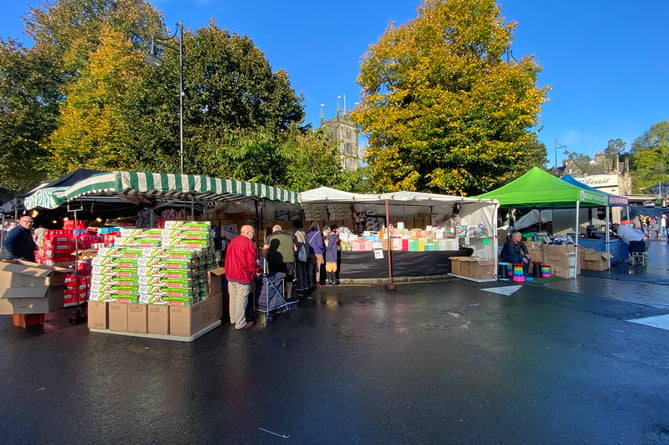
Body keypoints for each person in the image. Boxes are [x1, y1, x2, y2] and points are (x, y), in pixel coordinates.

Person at [223, 225, 259, 330]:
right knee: (241, 300)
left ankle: (233, 319)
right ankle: (240, 323)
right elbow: (251, 262)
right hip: (242, 275)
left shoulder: (233, 242)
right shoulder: (248, 243)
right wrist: (257, 271)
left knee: (233, 299)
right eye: (253, 232)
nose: (253, 235)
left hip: (231, 274)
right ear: (248, 233)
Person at [263, 224, 296, 301]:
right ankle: (289, 297)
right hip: (289, 260)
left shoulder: (270, 237)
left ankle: (277, 298)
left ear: (273, 230)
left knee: (276, 279)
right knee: (289, 279)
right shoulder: (290, 236)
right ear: (281, 230)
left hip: (274, 261)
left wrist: (268, 258)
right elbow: (295, 249)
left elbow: (264, 251)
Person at [292, 220, 309, 295]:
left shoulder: (297, 233)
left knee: (299, 270)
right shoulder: (304, 232)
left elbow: (297, 245)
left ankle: (300, 286)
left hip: (299, 254)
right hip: (305, 254)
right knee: (304, 270)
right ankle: (305, 285)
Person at [307, 222, 325, 289]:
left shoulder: (308, 233)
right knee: (317, 269)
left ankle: (310, 283)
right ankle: (317, 283)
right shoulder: (318, 233)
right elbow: (320, 244)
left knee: (310, 269)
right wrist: (323, 249)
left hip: (310, 252)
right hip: (318, 252)